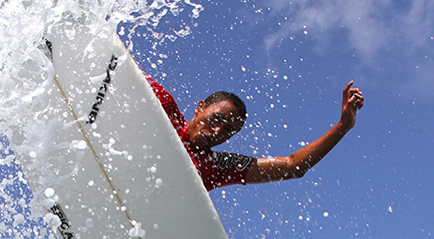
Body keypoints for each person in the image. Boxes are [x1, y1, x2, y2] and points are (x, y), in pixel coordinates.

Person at [146, 77, 364, 191]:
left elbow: (292, 166)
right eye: (217, 119)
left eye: (229, 131)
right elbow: (117, 64)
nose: (218, 132)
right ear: (200, 107)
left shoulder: (217, 164)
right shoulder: (163, 105)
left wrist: (343, 126)